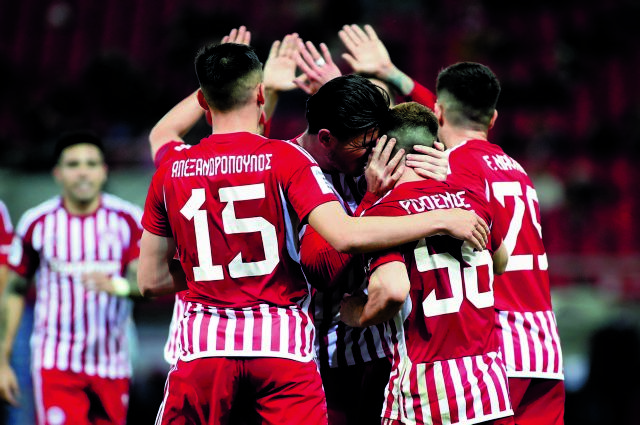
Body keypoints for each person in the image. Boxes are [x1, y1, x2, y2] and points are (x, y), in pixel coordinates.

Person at [138, 42, 490, 425]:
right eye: (365, 143)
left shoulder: (370, 156)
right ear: (326, 138)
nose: (374, 153)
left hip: (371, 346)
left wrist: (435, 167)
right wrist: (378, 201)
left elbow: (460, 126)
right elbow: (323, 266)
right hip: (310, 349)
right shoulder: (288, 162)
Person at [340, 101, 513, 425]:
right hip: (489, 391)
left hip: (424, 396)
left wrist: (354, 313)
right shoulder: (473, 199)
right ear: (436, 148)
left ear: (382, 153)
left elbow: (392, 292)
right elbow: (501, 262)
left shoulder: (384, 214)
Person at [435, 62, 565, 424]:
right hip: (543, 345)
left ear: (439, 112)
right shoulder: (517, 169)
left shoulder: (452, 167)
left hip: (498, 346)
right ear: (493, 118)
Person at [0, 130, 143, 425]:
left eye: (91, 164)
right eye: (73, 164)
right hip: (56, 363)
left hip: (113, 363)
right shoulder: (37, 223)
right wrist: (2, 360)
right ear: (58, 173)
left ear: (104, 171)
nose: (83, 172)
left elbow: (148, 285)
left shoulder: (129, 220)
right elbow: (14, 290)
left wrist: (118, 286)